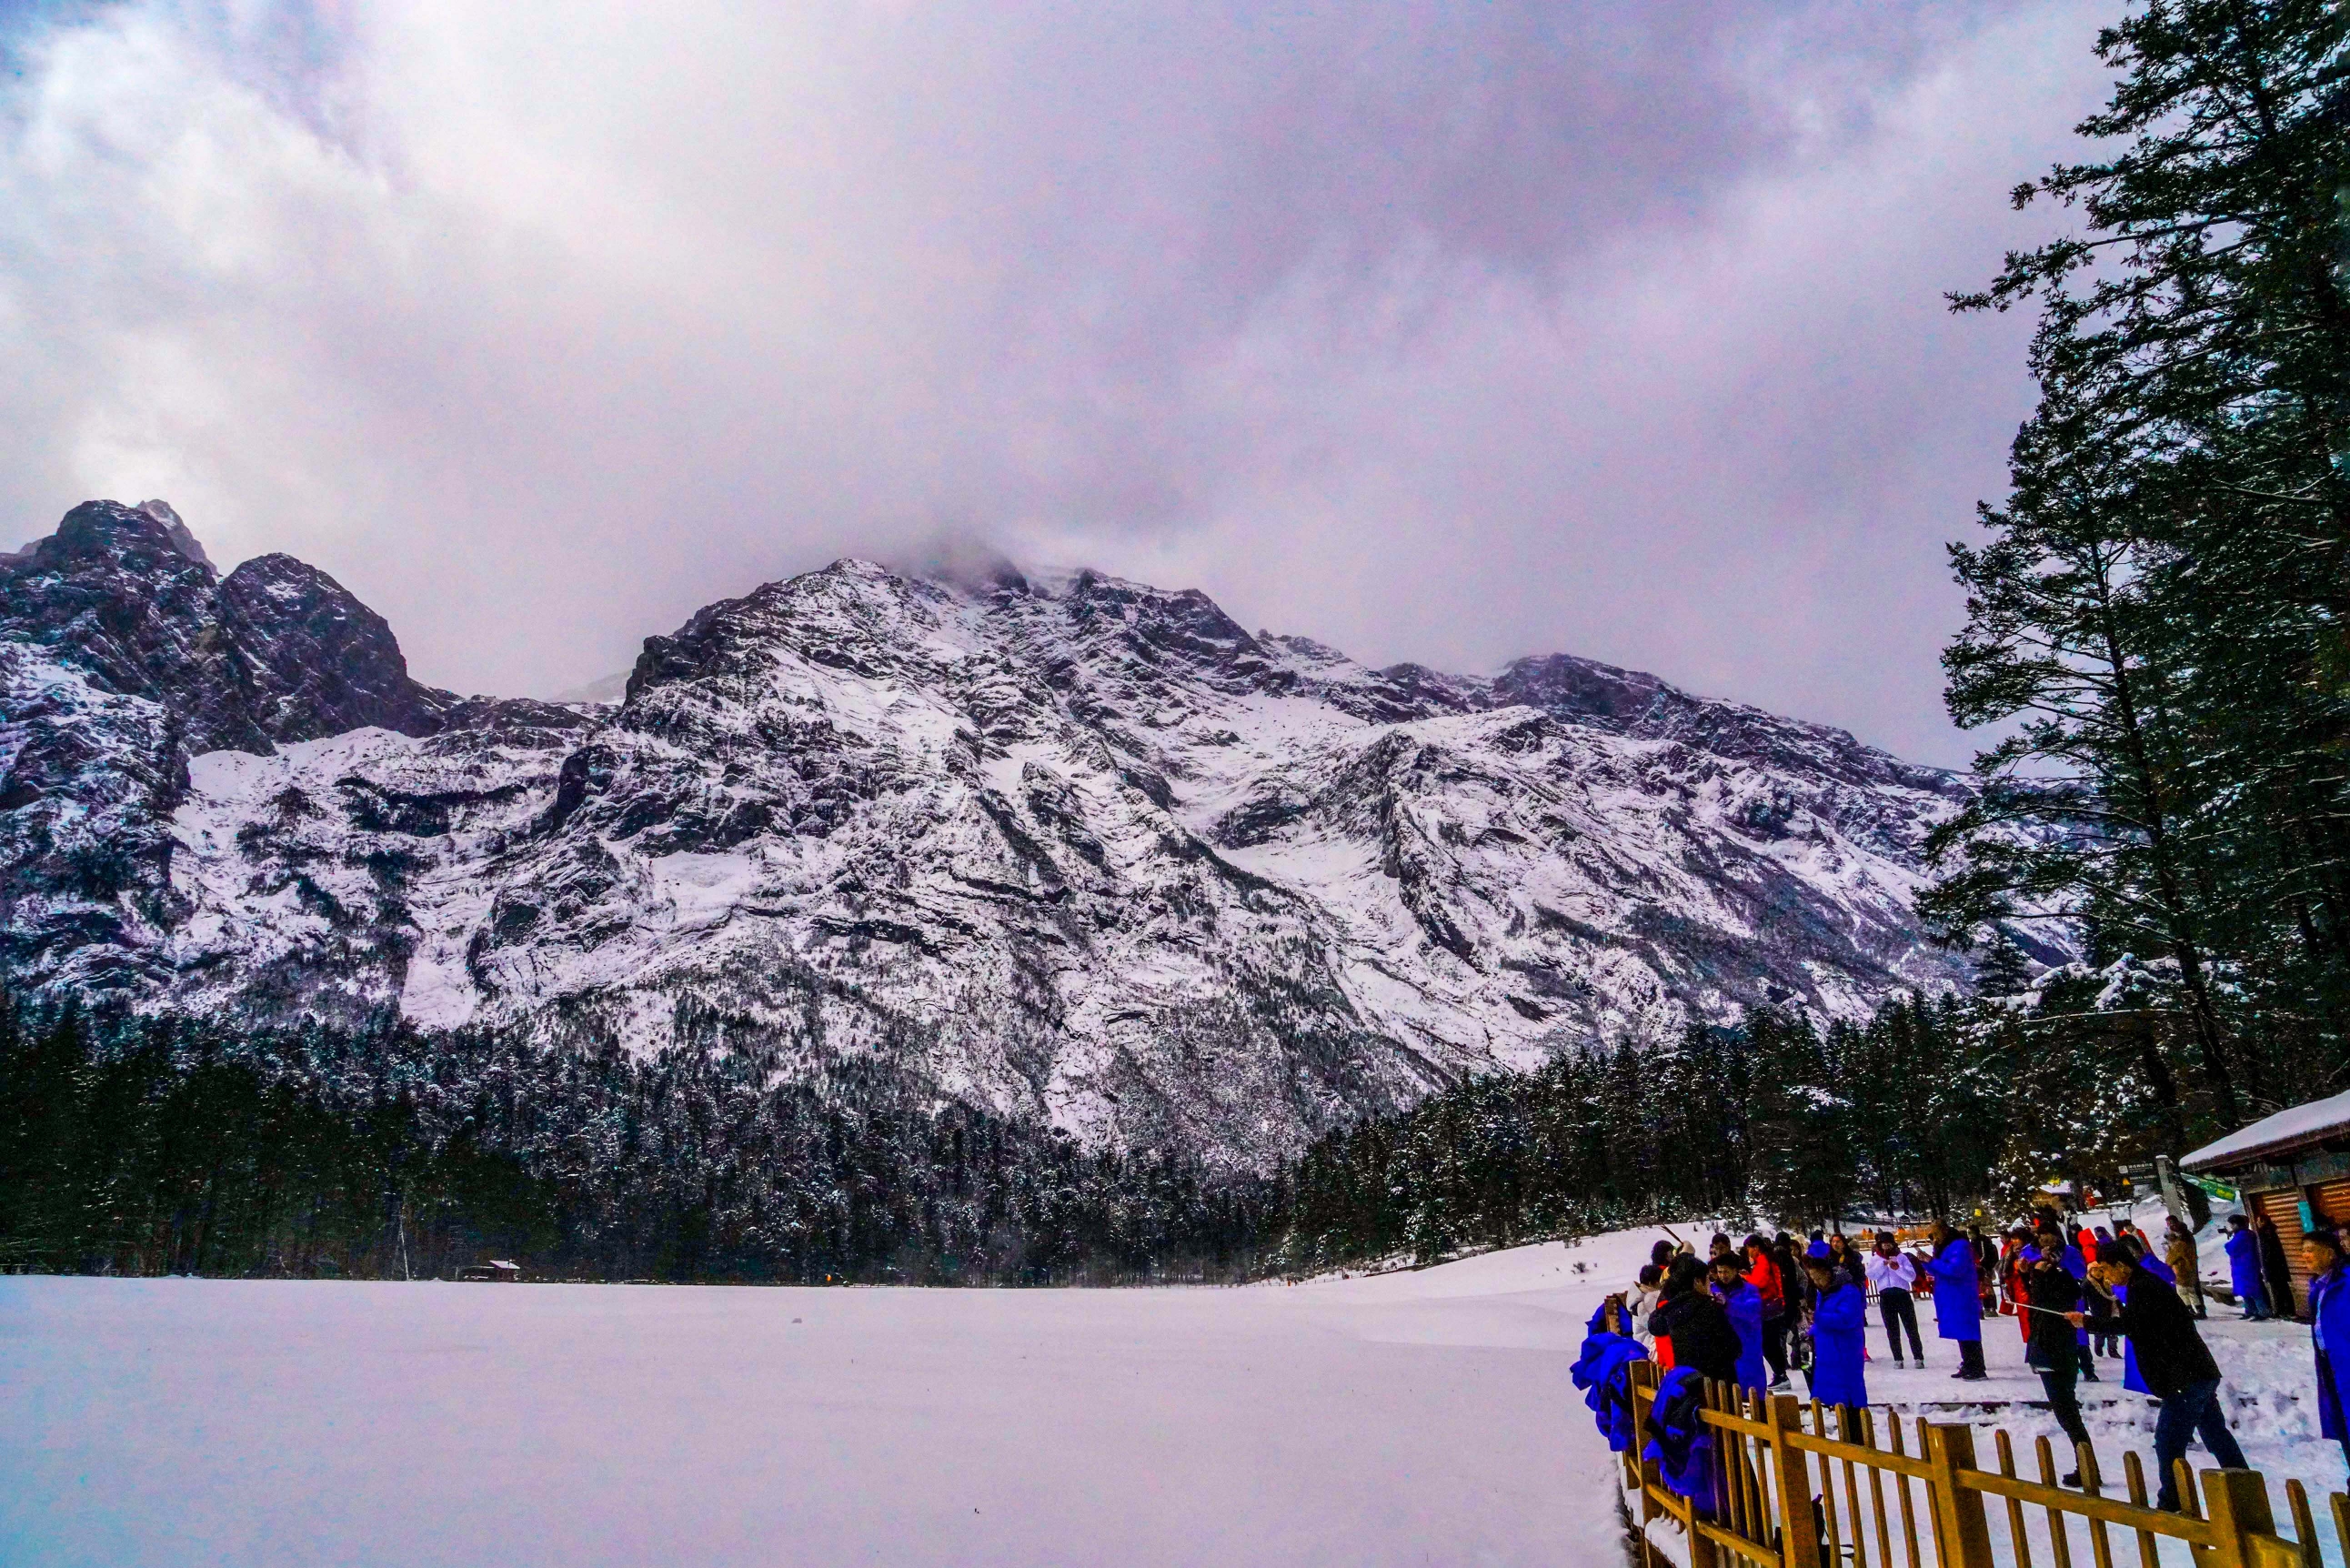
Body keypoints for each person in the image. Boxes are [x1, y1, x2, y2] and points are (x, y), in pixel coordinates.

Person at [2076, 1241, 2249, 1513]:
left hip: (2183, 1377)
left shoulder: (2145, 1287)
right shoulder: (2140, 1286)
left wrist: (2087, 1322)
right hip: (2195, 1372)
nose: (2107, 1275)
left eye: (2108, 1269)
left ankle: (2173, 1502)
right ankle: (2245, 1490)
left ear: (2122, 1266)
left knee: (2168, 1443)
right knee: (2215, 1434)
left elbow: (2135, 1326)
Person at [2023, 1241, 2093, 1484]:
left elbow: (2041, 1298)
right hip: (2059, 1352)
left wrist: (2041, 1276)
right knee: (2068, 1411)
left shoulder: (2053, 1289)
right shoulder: (2063, 1283)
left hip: (2053, 1353)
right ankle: (2085, 1463)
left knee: (2067, 1412)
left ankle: (2086, 1466)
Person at [2303, 1226, 2350, 1479]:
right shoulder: (2318, 1287)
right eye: (2303, 1251)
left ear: (2330, 1253)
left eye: (2311, 1250)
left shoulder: (2347, 1281)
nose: (2305, 1256)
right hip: (2332, 1367)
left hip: (2346, 1365)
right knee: (2344, 1424)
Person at [1652, 1255, 1739, 1385]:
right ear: (1697, 1281)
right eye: (1708, 1279)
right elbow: (1734, 1347)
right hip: (1715, 1385)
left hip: (1683, 1382)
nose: (1710, 1283)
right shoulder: (1707, 1309)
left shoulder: (1668, 1308)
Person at [1804, 1251, 1868, 1415]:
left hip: (1845, 1350)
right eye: (1813, 1278)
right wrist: (1812, 1330)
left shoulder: (1848, 1291)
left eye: (1819, 1278)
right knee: (1837, 1398)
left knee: (1850, 1394)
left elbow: (1847, 1319)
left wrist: (1817, 1318)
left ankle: (1857, 1433)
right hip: (1829, 1350)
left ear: (1828, 1274)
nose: (1816, 1282)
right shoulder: (1825, 1293)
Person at [1927, 1221, 1988, 1380]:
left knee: (1968, 1331)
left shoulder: (1959, 1246)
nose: (1933, 1237)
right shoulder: (1945, 1246)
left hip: (1961, 1294)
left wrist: (1931, 1262)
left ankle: (1976, 1368)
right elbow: (1941, 1268)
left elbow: (1955, 1270)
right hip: (1951, 1294)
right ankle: (1968, 1363)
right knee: (1961, 1331)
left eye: (1934, 1233)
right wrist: (1926, 1262)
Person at [1711, 1252, 1769, 1393]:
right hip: (1722, 1347)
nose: (1723, 1275)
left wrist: (1727, 1304)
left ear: (1735, 1270)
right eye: (1720, 1272)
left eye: (1726, 1272)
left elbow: (1751, 1312)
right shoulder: (1711, 1290)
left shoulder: (1749, 1290)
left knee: (1752, 1392)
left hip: (1746, 1345)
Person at [1866, 1231, 1925, 1367]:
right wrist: (1882, 1265)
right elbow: (1871, 1275)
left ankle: (1918, 1357)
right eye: (1883, 1243)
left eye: (1889, 1243)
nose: (1886, 1245)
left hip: (1902, 1295)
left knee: (1911, 1327)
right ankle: (1898, 1358)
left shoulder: (1902, 1257)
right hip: (1886, 1297)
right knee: (1892, 1330)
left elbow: (1911, 1276)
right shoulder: (1876, 1259)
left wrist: (1898, 1268)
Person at [1744, 1233, 1790, 1390]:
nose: (1748, 1252)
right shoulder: (1767, 1259)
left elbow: (1760, 1282)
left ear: (1755, 1248)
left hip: (1769, 1306)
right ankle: (1780, 1373)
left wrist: (1745, 1278)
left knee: (1768, 1343)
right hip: (1773, 1305)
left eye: (1749, 1248)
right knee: (1771, 1343)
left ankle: (1780, 1374)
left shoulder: (1763, 1260)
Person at [2225, 1214, 2271, 1320]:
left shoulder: (2243, 1235)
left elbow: (2231, 1248)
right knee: (2245, 1290)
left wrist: (2228, 1243)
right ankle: (2251, 1310)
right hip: (2243, 1266)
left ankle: (2262, 1311)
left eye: (2231, 1224)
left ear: (2236, 1224)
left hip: (2246, 1266)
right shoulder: (2246, 1234)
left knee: (2253, 1290)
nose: (2230, 1227)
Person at [2256, 1211, 2296, 1322]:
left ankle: (2283, 1310)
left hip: (2273, 1267)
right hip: (2277, 1267)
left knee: (2278, 1289)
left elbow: (2267, 1252)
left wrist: (2266, 1266)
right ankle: (2286, 1310)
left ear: (2263, 1222)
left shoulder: (2266, 1233)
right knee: (2282, 1289)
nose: (2257, 1223)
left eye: (2259, 1221)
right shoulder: (2269, 1232)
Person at [2166, 1215, 2207, 1319]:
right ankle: (2199, 1310)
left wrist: (2169, 1259)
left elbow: (2172, 1257)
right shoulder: (2187, 1236)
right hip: (2190, 1267)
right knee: (2192, 1289)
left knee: (2184, 1292)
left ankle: (2192, 1310)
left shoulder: (2180, 1243)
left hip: (2181, 1269)